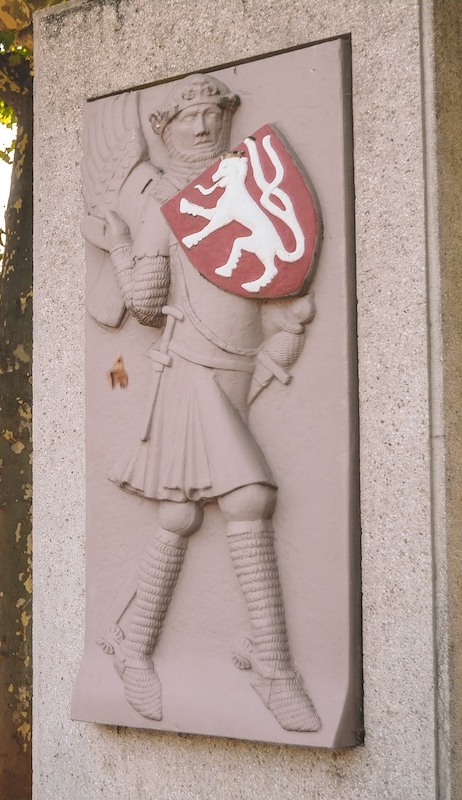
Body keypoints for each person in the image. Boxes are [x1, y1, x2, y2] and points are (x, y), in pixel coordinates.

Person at [93, 74, 321, 732]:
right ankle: (274, 664)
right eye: (187, 117)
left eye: (211, 115)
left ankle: (132, 644)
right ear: (165, 131)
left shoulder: (247, 191)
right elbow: (142, 301)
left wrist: (285, 330)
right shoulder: (168, 205)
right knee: (249, 497)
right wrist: (116, 244)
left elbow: (273, 271)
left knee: (180, 512)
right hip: (189, 362)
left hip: (237, 366)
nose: (201, 127)